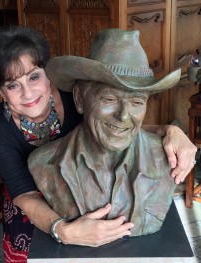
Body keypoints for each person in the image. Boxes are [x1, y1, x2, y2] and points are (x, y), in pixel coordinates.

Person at [0, 25, 196, 263]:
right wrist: (64, 231)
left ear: (47, 75)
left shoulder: (73, 97)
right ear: (1, 92)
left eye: (34, 77)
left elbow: (120, 128)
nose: (27, 92)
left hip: (87, 194)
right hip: (31, 209)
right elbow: (23, 192)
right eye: (13, 85)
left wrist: (171, 131)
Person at [28, 29, 178, 237]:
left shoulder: (166, 158)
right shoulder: (44, 163)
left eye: (136, 102)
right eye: (109, 99)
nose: (124, 116)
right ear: (80, 99)